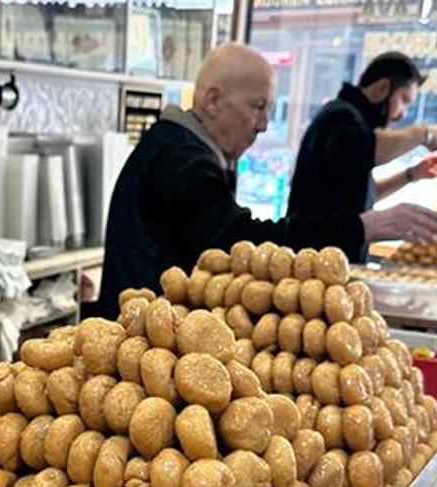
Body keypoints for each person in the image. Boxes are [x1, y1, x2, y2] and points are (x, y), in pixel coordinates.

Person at [97, 43, 301, 319]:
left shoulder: (178, 145)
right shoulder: (181, 161)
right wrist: (357, 228)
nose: (263, 125)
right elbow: (241, 245)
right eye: (258, 107)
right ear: (213, 101)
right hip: (136, 342)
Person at [287, 52, 437, 263]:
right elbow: (369, 147)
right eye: (403, 100)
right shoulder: (341, 118)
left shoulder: (348, 120)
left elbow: (365, 194)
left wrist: (411, 174)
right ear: (383, 88)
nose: (403, 114)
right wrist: (424, 134)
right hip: (315, 264)